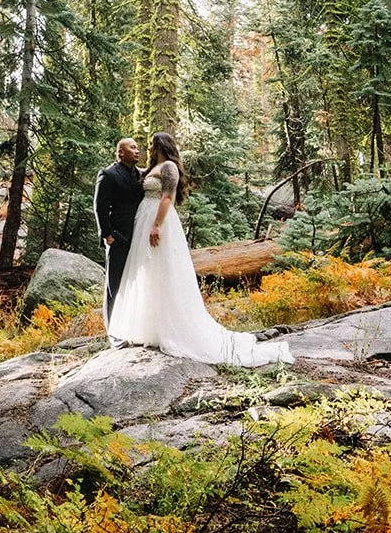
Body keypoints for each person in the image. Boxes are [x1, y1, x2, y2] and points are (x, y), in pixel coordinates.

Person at [108, 132, 292, 367]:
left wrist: (156, 225)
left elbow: (167, 198)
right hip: (143, 220)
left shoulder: (169, 167)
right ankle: (150, 327)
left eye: (152, 144)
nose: (149, 148)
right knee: (148, 271)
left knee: (163, 269)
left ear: (162, 145)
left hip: (158, 221)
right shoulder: (151, 168)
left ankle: (170, 327)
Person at [93, 137, 144, 326]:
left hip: (138, 235)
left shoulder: (140, 174)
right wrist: (107, 235)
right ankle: (113, 327)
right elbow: (99, 207)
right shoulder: (108, 174)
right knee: (114, 284)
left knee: (135, 283)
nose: (137, 151)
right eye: (132, 147)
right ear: (120, 152)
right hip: (118, 237)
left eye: (137, 148)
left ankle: (130, 325)